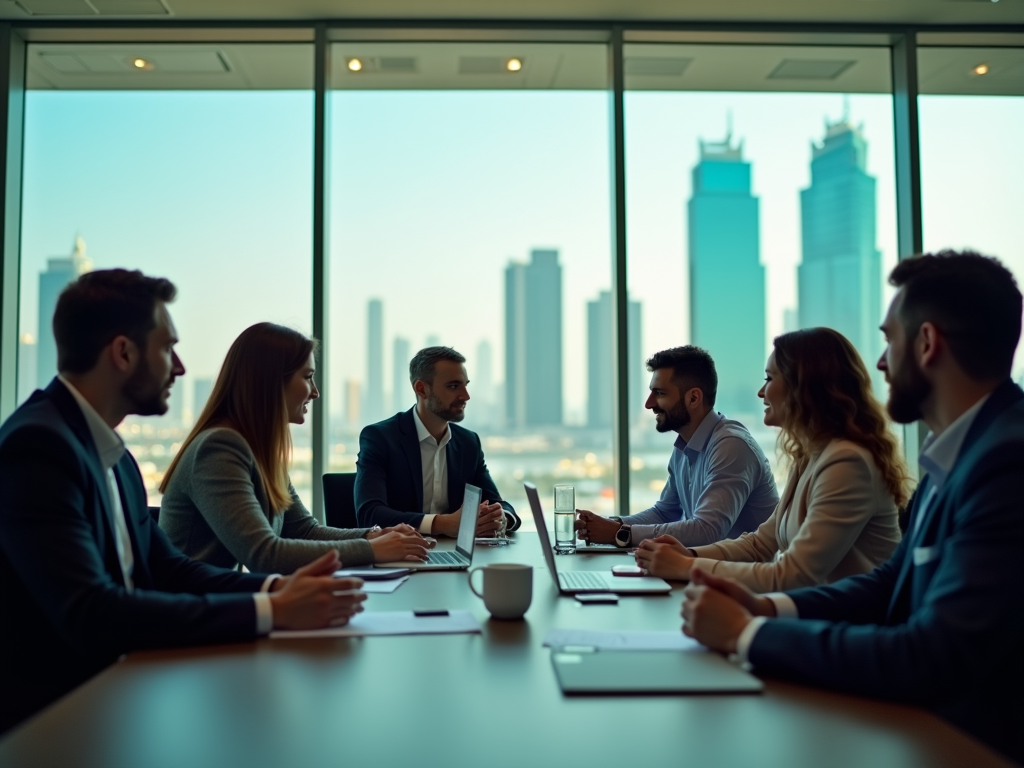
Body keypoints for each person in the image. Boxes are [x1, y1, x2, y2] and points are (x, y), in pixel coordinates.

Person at [679, 251, 1023, 763]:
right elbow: (892, 583)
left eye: (889, 340)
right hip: (917, 723)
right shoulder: (955, 454)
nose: (881, 361)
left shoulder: (1006, 465)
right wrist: (766, 609)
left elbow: (932, 655)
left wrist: (749, 634)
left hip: (964, 743)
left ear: (927, 343)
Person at [0, 270, 367, 734]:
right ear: (123, 353)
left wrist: (276, 591)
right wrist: (272, 611)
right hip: (60, 720)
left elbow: (170, 569)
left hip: (124, 687)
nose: (179, 367)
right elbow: (91, 613)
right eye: (167, 347)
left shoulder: (113, 454)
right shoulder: (39, 447)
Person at [635, 328, 905, 591]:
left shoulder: (847, 462)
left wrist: (686, 566)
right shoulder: (811, 456)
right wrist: (689, 555)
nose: (761, 392)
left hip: (848, 626)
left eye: (769, 378)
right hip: (815, 617)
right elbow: (761, 544)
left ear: (805, 387)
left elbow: (794, 575)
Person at [159, 323, 430, 573]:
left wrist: (372, 535)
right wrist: (371, 549)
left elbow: (303, 530)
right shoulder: (219, 447)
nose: (315, 392)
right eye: (308, 377)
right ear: (271, 381)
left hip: (225, 603)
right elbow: (264, 554)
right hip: (194, 616)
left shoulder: (259, 450)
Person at [576, 346, 778, 549]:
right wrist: (609, 525)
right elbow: (664, 513)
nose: (648, 404)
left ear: (693, 398)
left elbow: (708, 530)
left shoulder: (731, 446)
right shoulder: (685, 446)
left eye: (660, 393)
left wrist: (619, 533)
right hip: (708, 572)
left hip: (742, 578)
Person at [355, 346, 520, 537]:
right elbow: (369, 514)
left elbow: (496, 502)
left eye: (465, 385)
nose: (466, 396)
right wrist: (442, 524)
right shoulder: (380, 438)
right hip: (400, 555)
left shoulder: (468, 442)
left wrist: (501, 518)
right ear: (421, 389)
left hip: (457, 556)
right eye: (453, 386)